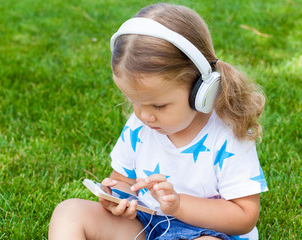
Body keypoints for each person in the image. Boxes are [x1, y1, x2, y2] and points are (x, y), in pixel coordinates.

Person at [48, 3, 268, 240]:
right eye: (134, 101)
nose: (144, 116)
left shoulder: (227, 134)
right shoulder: (140, 126)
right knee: (69, 211)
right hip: (147, 223)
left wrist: (178, 205)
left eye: (159, 106)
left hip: (209, 232)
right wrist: (118, 200)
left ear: (201, 91)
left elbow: (245, 216)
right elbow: (124, 181)